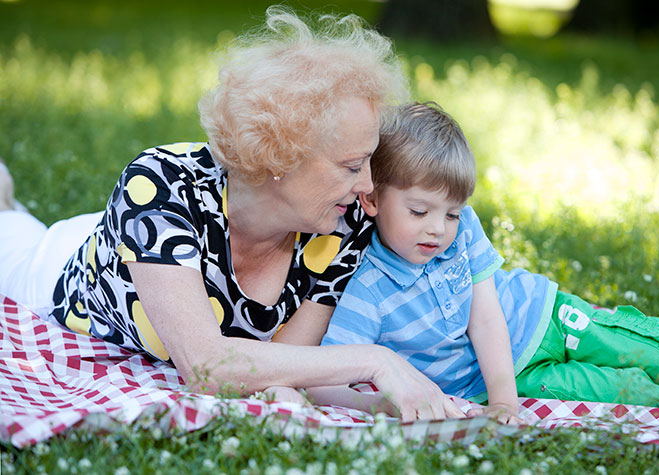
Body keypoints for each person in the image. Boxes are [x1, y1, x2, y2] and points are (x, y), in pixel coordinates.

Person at [0, 7, 466, 422]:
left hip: (145, 256)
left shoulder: (342, 222)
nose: (367, 186)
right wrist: (376, 361)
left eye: (368, 161)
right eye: (350, 166)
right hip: (46, 267)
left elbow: (282, 366)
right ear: (281, 157)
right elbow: (206, 367)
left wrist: (384, 403)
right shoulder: (160, 185)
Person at [318, 102, 659, 422]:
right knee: (629, 394)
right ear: (371, 200)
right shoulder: (368, 291)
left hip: (546, 317)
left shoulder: (464, 228)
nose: (438, 229)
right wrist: (385, 405)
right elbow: (326, 380)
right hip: (516, 378)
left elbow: (484, 316)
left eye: (451, 213)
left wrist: (503, 402)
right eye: (419, 211)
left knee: (654, 352)